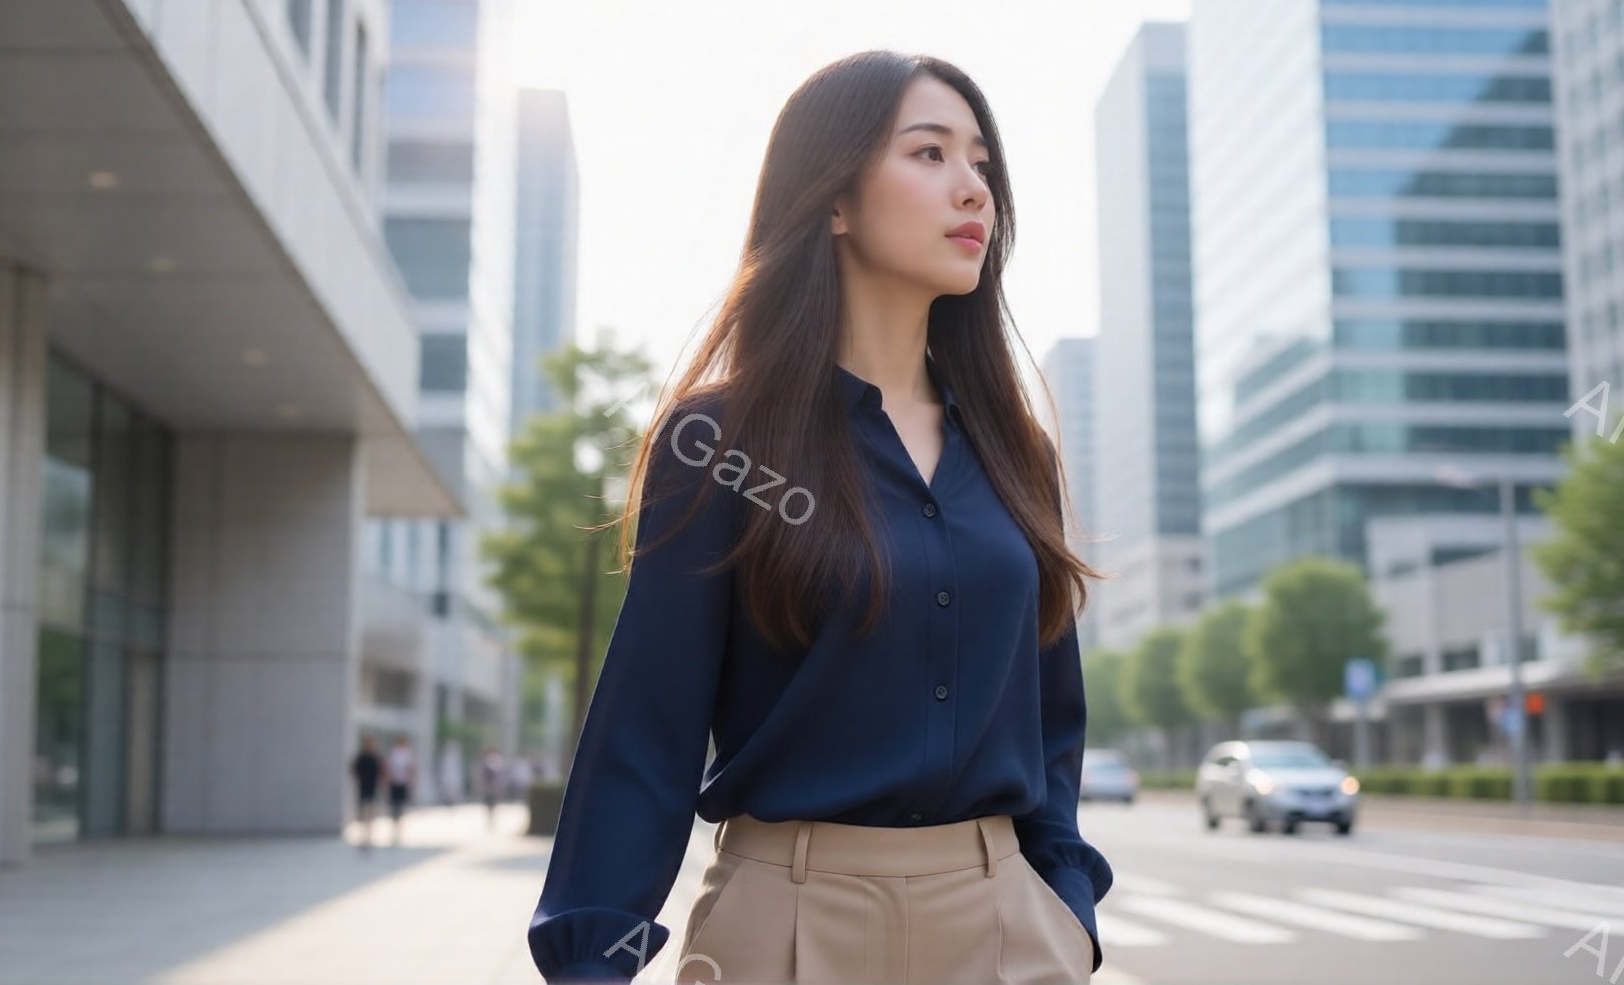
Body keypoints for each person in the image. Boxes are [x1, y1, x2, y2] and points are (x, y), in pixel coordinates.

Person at [527, 51, 1113, 984]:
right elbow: (649, 727)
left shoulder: (1015, 451)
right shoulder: (719, 442)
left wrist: (1067, 911)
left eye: (982, 164)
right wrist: (596, 960)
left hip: (1004, 928)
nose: (973, 189)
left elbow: (1052, 725)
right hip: (790, 927)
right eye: (930, 154)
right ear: (832, 200)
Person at [350, 733, 382, 855]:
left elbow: (381, 772)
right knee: (362, 815)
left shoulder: (375, 757)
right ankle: (363, 839)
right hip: (362, 789)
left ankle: (369, 839)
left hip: (372, 789)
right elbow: (354, 770)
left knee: (370, 815)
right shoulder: (361, 757)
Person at [386, 733, 418, 840]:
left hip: (402, 782)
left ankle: (398, 828)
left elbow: (411, 768)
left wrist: (410, 780)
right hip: (394, 783)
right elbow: (389, 767)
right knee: (395, 805)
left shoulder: (407, 753)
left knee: (400, 806)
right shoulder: (394, 753)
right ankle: (395, 826)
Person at [478, 747, 505, 827]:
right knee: (488, 804)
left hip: (494, 788)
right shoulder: (486, 764)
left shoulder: (498, 764)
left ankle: (492, 819)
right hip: (488, 788)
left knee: (494, 804)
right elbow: (483, 776)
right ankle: (490, 819)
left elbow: (500, 777)